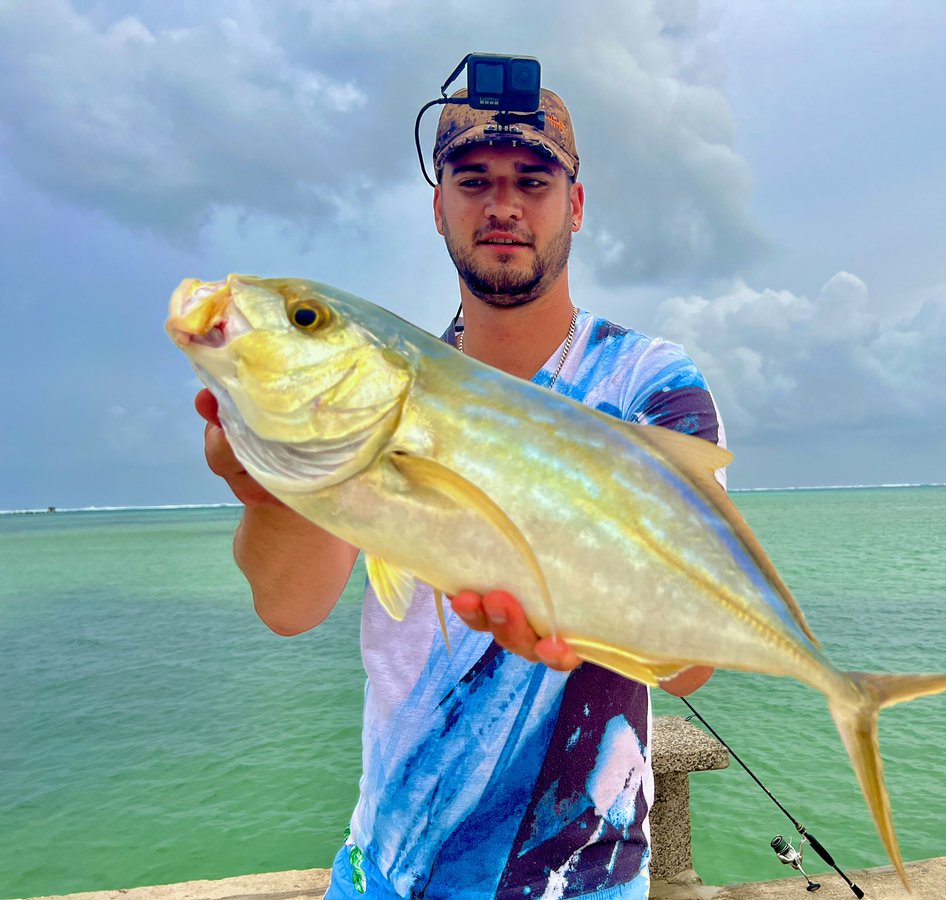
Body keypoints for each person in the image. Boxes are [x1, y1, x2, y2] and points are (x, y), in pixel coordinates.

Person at [195, 83, 725, 899]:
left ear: (576, 204)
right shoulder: (373, 378)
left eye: (533, 181)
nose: (503, 204)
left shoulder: (648, 383)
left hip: (583, 883)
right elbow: (288, 607)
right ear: (438, 207)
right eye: (473, 180)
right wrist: (271, 486)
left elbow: (691, 667)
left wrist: (573, 596)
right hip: (384, 872)